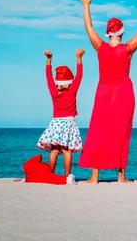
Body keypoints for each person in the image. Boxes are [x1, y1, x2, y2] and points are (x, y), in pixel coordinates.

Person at [77, 0, 137, 184]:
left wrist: (86, 5)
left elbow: (88, 25)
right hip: (124, 92)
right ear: (121, 32)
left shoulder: (100, 47)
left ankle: (94, 176)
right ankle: (121, 176)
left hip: (104, 90)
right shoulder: (128, 49)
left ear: (108, 32)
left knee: (98, 130)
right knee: (122, 132)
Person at [37, 49, 84, 178]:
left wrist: (49, 59)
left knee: (54, 150)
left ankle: (50, 175)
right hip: (68, 122)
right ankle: (67, 176)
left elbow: (48, 77)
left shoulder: (54, 92)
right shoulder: (72, 91)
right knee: (67, 151)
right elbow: (80, 76)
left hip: (56, 123)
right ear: (70, 80)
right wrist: (79, 58)